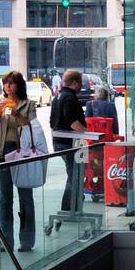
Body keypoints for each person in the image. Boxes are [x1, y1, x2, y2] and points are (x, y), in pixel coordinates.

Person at [0, 71, 40, 253]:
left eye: (11, 83)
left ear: (19, 86)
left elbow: (32, 127)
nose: (8, 87)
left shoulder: (28, 105)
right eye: (6, 83)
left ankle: (26, 240)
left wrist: (18, 115)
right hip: (3, 153)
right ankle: (6, 241)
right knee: (4, 199)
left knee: (25, 198)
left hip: (22, 153)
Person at [50, 69, 89, 213]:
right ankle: (69, 208)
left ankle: (74, 205)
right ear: (74, 82)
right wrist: (88, 135)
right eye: (80, 82)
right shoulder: (69, 98)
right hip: (71, 143)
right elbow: (72, 122)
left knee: (73, 174)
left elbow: (52, 123)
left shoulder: (58, 97)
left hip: (61, 142)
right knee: (76, 176)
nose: (81, 86)